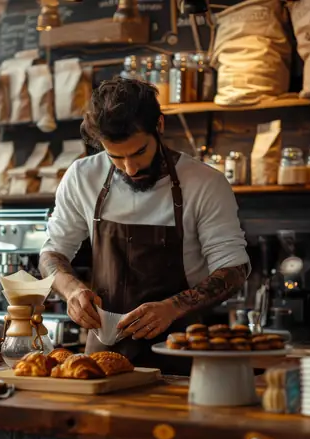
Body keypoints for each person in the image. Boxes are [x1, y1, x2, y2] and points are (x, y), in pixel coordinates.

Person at [39, 77, 250, 373]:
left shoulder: (204, 183)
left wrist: (172, 308)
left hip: (179, 351)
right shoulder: (82, 176)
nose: (130, 168)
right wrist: (72, 290)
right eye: (116, 157)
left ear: (159, 126)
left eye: (139, 152)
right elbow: (52, 253)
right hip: (102, 358)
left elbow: (234, 269)